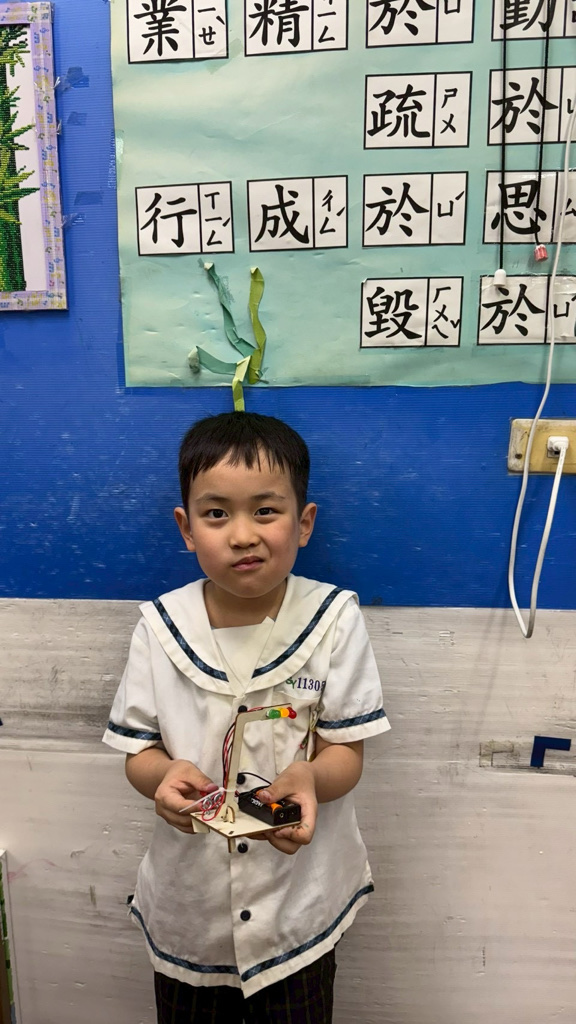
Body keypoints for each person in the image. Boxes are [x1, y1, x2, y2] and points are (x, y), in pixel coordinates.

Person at [103, 411, 390, 1023]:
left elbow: (346, 752)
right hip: (191, 911)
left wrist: (311, 776)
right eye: (216, 514)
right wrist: (162, 777)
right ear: (186, 528)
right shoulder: (160, 626)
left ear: (303, 523)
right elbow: (139, 752)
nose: (242, 535)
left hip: (297, 910)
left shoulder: (334, 619)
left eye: (265, 511)